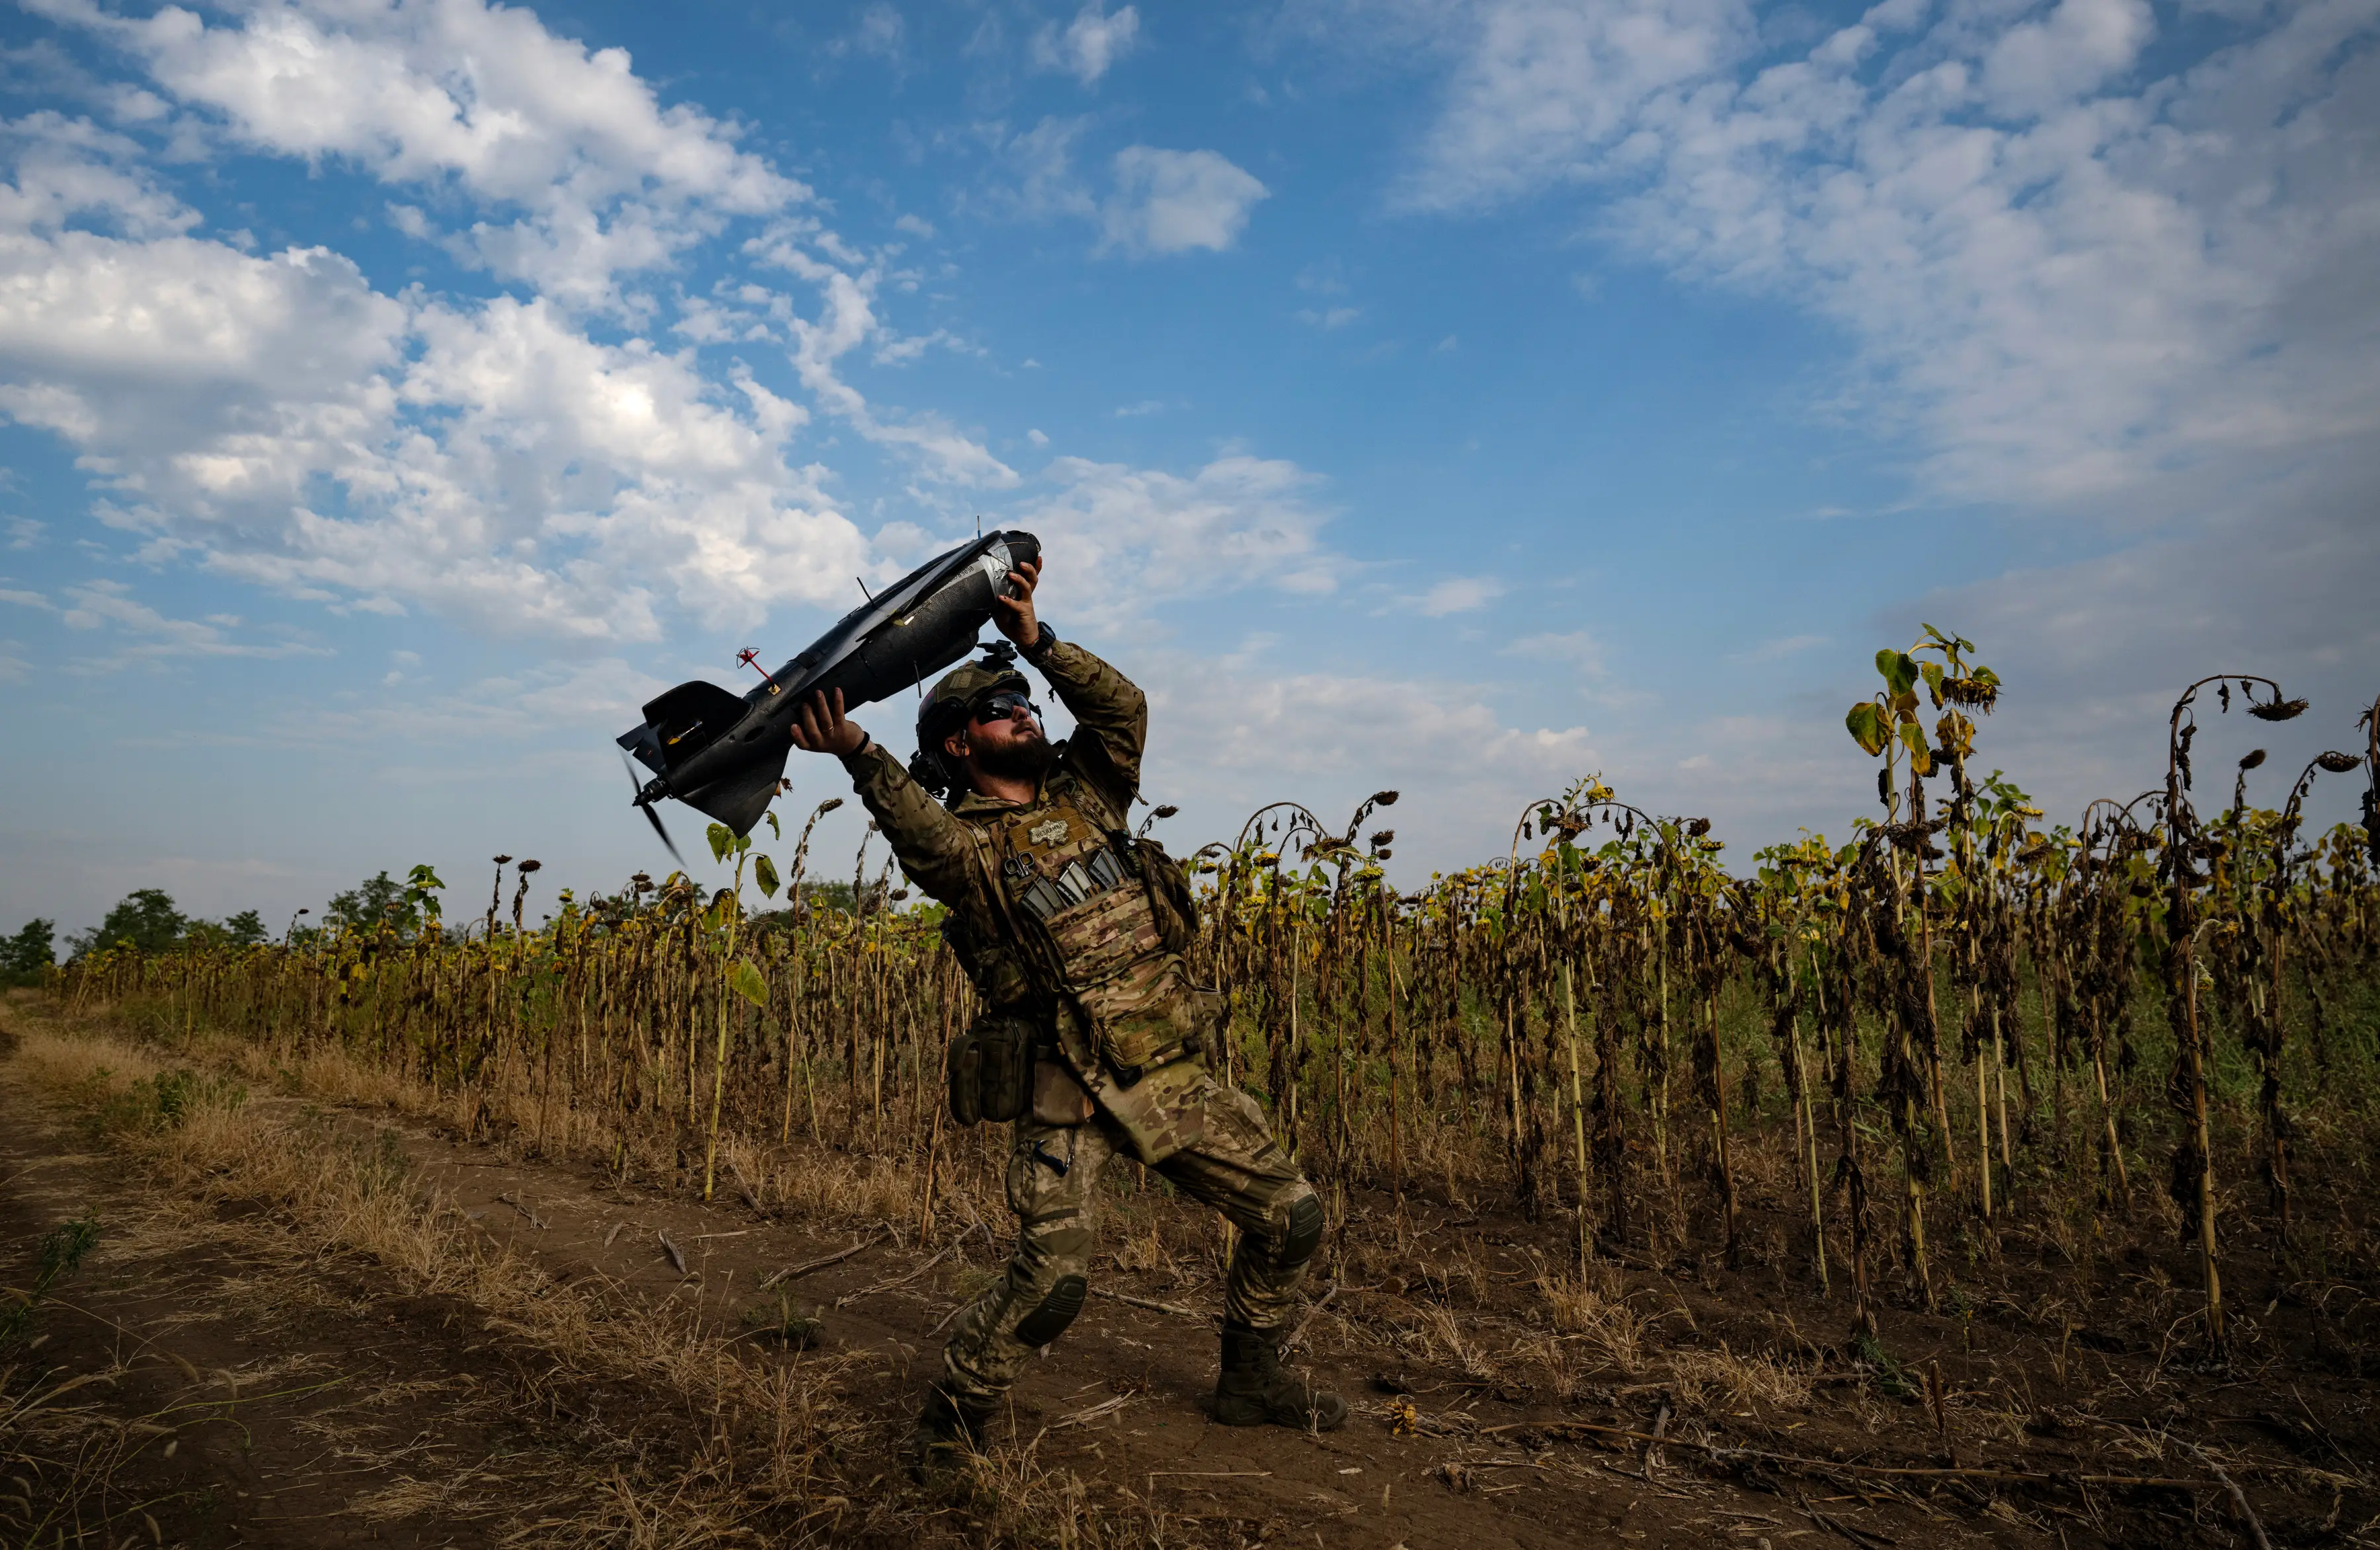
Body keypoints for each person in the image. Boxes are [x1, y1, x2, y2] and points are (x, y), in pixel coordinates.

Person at [785, 551, 1346, 1472]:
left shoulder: (1091, 796)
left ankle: (1250, 1380)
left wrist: (1038, 644)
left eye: (1026, 705)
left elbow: (1125, 711)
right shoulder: (965, 846)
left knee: (1291, 1217)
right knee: (1053, 1283)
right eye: (999, 710)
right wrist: (858, 752)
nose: (1024, 714)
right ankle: (953, 1421)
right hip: (1065, 1085)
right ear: (959, 744)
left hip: (1163, 1071)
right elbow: (921, 842)